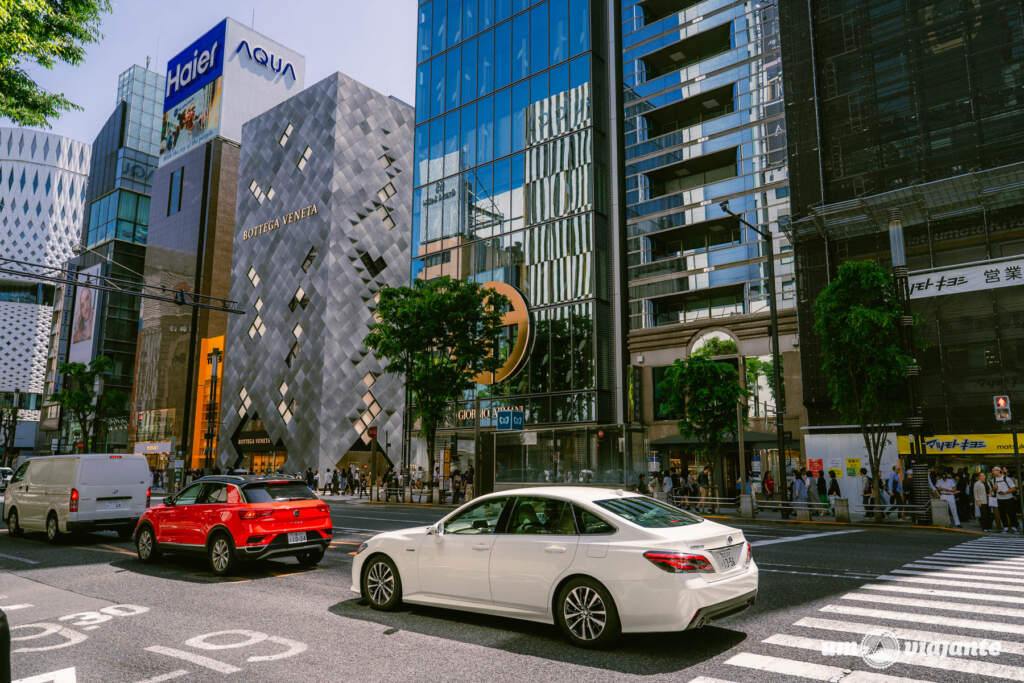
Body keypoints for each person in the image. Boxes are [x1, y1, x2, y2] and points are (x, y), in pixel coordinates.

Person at [992, 467, 1020, 533]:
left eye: (994, 471)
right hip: (999, 499)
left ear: (998, 471)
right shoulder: (993, 480)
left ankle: (1014, 526)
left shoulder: (1007, 479)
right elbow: (994, 490)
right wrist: (994, 488)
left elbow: (1013, 488)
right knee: (1002, 514)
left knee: (1011, 513)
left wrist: (1006, 492)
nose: (993, 472)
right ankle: (1005, 527)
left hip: (1008, 498)